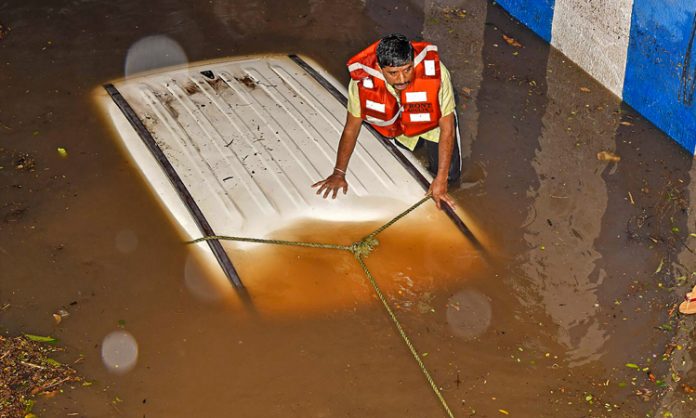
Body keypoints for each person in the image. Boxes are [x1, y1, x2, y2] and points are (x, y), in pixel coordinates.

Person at [312, 33, 461, 209]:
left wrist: (441, 178)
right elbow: (352, 128)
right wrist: (338, 173)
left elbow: (447, 128)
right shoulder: (361, 82)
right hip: (398, 123)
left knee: (451, 176)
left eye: (407, 69)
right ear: (380, 68)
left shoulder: (436, 74)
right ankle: (413, 142)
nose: (402, 79)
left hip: (433, 122)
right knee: (406, 149)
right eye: (393, 73)